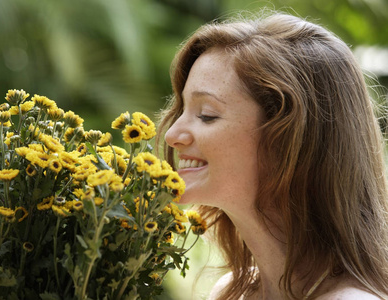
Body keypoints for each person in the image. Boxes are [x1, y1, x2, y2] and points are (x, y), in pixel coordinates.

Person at [157, 11, 388, 300]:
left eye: (206, 115)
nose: (172, 135)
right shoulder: (230, 293)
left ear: (290, 139)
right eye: (181, 110)